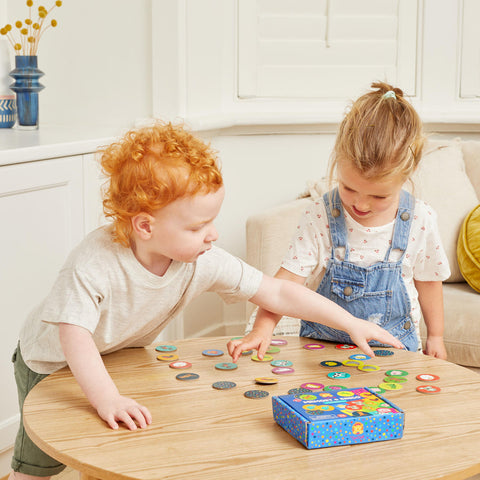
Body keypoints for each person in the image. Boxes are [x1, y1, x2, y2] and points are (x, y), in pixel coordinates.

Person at [10, 121, 403, 480]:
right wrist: (106, 397)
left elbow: (278, 291)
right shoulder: (94, 263)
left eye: (212, 221)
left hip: (118, 355)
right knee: (41, 463)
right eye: (198, 226)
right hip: (50, 364)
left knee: (111, 448)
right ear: (145, 226)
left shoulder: (202, 260)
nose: (213, 234)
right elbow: (73, 336)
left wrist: (349, 323)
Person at [229, 82, 450, 363]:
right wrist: (262, 328)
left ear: (407, 174)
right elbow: (286, 284)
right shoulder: (321, 215)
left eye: (379, 196)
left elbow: (429, 282)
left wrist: (436, 336)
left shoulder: (421, 219)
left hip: (394, 354)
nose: (361, 204)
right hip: (322, 353)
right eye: (348, 188)